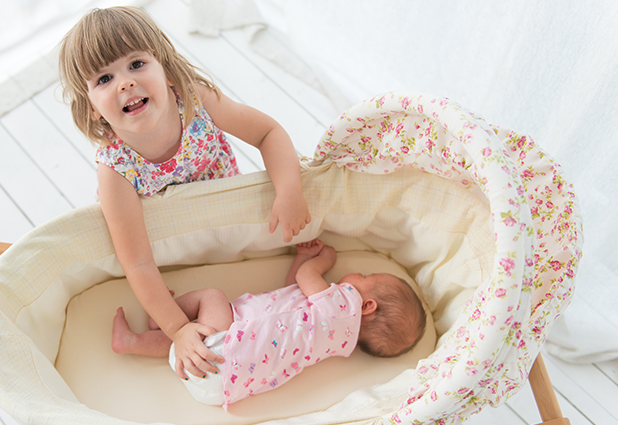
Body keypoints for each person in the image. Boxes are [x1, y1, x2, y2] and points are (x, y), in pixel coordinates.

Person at [58, 6, 311, 382]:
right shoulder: (115, 170)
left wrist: (289, 191)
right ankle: (146, 338)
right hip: (172, 250)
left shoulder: (194, 101)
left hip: (224, 216)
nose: (125, 83)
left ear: (164, 67)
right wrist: (177, 328)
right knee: (200, 332)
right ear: (92, 107)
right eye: (105, 78)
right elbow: (139, 263)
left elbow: (268, 133)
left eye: (137, 64)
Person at [111, 239, 427, 409]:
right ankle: (131, 343)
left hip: (226, 349)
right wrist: (301, 257)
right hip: (219, 390)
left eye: (366, 278)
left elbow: (306, 278)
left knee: (211, 298)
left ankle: (163, 317)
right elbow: (292, 290)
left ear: (367, 305)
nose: (358, 275)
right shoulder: (338, 342)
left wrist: (323, 259)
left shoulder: (346, 306)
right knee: (192, 347)